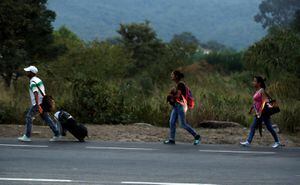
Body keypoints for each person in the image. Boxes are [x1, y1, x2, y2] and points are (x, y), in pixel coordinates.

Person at [18, 66, 60, 142]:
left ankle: (27, 136)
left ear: (32, 73)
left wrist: (37, 105)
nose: (27, 73)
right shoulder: (38, 80)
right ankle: (57, 133)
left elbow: (36, 93)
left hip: (38, 103)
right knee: (46, 118)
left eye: (28, 72)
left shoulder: (32, 82)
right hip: (43, 102)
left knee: (29, 117)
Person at [240, 76, 281, 148]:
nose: (253, 82)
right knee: (257, 127)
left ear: (259, 83)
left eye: (255, 81)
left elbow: (264, 102)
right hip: (258, 112)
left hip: (263, 113)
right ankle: (248, 141)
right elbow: (256, 102)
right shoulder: (257, 91)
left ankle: (277, 142)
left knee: (268, 127)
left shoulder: (262, 90)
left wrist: (260, 112)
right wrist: (251, 109)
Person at [164, 70, 201, 145]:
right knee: (171, 122)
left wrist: (171, 96)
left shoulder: (180, 84)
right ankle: (172, 139)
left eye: (172, 75)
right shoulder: (177, 85)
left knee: (183, 124)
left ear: (176, 76)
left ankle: (197, 136)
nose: (171, 76)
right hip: (176, 106)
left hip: (181, 106)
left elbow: (178, 96)